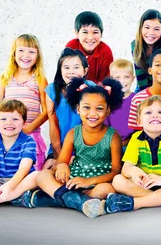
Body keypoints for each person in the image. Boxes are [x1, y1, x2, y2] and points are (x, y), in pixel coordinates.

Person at [33, 77, 124, 218]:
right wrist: (62, 166)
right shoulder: (73, 133)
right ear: (78, 109)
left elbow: (116, 171)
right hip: (74, 178)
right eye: (86, 107)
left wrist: (89, 181)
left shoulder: (113, 136)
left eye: (99, 109)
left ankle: (59, 199)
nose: (92, 113)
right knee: (43, 175)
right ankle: (79, 202)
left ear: (107, 111)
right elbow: (61, 162)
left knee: (106, 190)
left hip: (97, 181)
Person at [106, 96, 161, 213]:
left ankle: (135, 203)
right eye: (148, 112)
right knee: (118, 180)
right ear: (139, 121)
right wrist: (135, 173)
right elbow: (126, 168)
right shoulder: (136, 138)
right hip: (145, 185)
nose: (155, 115)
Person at [0, 34, 49, 170]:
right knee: (10, 169)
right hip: (8, 134)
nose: (26, 55)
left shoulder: (40, 79)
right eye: (21, 50)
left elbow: (47, 111)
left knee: (32, 171)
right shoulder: (5, 79)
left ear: (37, 56)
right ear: (14, 53)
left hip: (30, 134)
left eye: (31, 51)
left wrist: (28, 129)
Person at [44, 48, 89, 169]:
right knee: (46, 173)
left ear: (85, 71)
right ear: (60, 70)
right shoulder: (52, 90)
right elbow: (53, 126)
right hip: (59, 148)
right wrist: (59, 158)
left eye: (76, 67)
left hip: (85, 150)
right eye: (66, 67)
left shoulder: (91, 89)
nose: (71, 72)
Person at [65, 11, 114, 84]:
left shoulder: (105, 52)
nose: (90, 37)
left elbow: (104, 84)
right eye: (85, 32)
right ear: (77, 33)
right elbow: (67, 76)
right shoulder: (71, 47)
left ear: (101, 34)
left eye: (95, 32)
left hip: (95, 91)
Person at [131, 9, 161, 91]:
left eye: (156, 29)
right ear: (141, 28)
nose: (151, 32)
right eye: (147, 27)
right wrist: (146, 96)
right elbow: (140, 75)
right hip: (142, 86)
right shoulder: (135, 45)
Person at [107, 59, 137, 148]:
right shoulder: (108, 100)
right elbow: (104, 126)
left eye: (126, 77)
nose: (122, 81)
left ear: (133, 78)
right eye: (117, 78)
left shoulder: (137, 100)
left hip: (132, 144)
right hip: (111, 143)